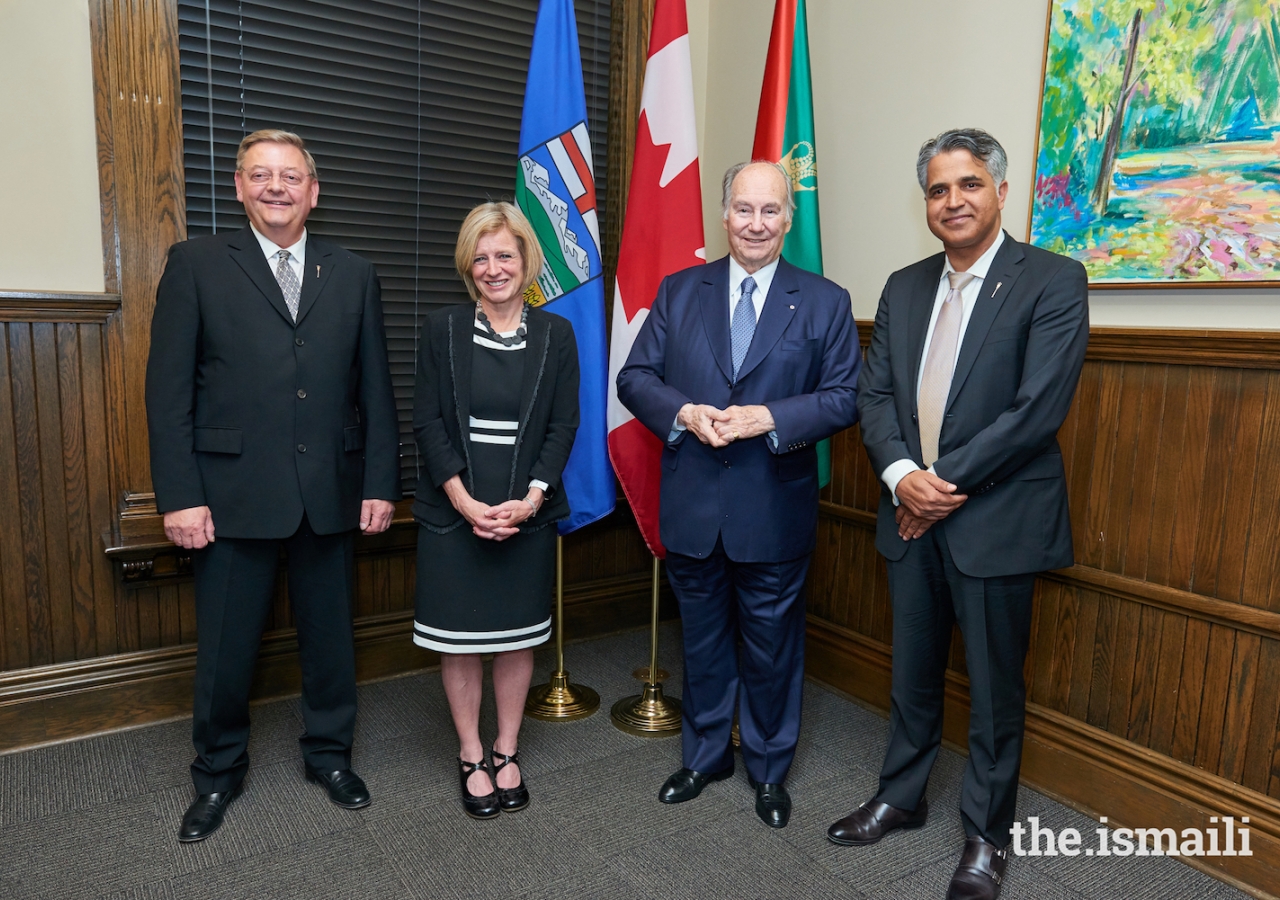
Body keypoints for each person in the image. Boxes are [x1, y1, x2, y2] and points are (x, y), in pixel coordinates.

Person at [827, 129, 1088, 900]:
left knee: (994, 689)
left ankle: (986, 834)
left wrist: (935, 486)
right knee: (911, 674)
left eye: (969, 185)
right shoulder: (905, 286)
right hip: (910, 511)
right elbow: (876, 397)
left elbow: (1036, 410)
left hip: (996, 520)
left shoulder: (1052, 279)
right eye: (939, 190)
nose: (954, 202)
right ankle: (901, 798)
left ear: (1000, 191)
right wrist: (903, 475)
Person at [146, 129, 401, 842]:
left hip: (332, 489)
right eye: (261, 175)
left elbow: (374, 389)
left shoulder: (351, 272)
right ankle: (218, 773)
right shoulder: (195, 264)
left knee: (331, 644)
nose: (277, 187)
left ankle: (330, 756)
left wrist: (380, 482)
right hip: (226, 496)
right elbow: (167, 394)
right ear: (238, 187)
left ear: (313, 191)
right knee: (226, 650)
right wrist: (179, 495)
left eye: (291, 176)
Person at [616, 161, 861, 829]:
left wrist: (771, 417)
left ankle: (769, 768)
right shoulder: (677, 291)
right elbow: (634, 378)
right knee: (701, 639)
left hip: (773, 507)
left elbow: (844, 396)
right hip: (693, 502)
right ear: (723, 216)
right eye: (744, 209)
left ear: (788, 219)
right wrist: (684, 413)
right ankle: (703, 758)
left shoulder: (824, 300)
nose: (756, 223)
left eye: (770, 211)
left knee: (773, 643)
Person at [411, 202, 579, 819]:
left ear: (526, 260)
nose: (492, 267)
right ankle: (470, 753)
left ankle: (507, 751)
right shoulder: (442, 330)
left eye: (504, 254)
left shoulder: (557, 335)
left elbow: (564, 425)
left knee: (514, 639)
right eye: (480, 257)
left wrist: (531, 499)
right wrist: (462, 500)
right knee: (459, 642)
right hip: (454, 511)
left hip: (523, 512)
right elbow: (427, 421)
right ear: (467, 265)